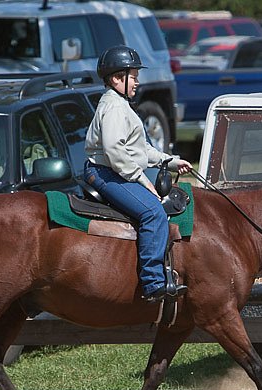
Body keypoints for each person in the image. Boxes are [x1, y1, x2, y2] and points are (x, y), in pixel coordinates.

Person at [84, 45, 193, 302]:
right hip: (105, 172)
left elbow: (140, 148)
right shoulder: (113, 108)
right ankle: (153, 282)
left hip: (113, 169)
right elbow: (114, 151)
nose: (137, 82)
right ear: (116, 79)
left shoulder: (121, 105)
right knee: (153, 212)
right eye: (133, 76)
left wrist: (171, 161)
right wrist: (141, 179)